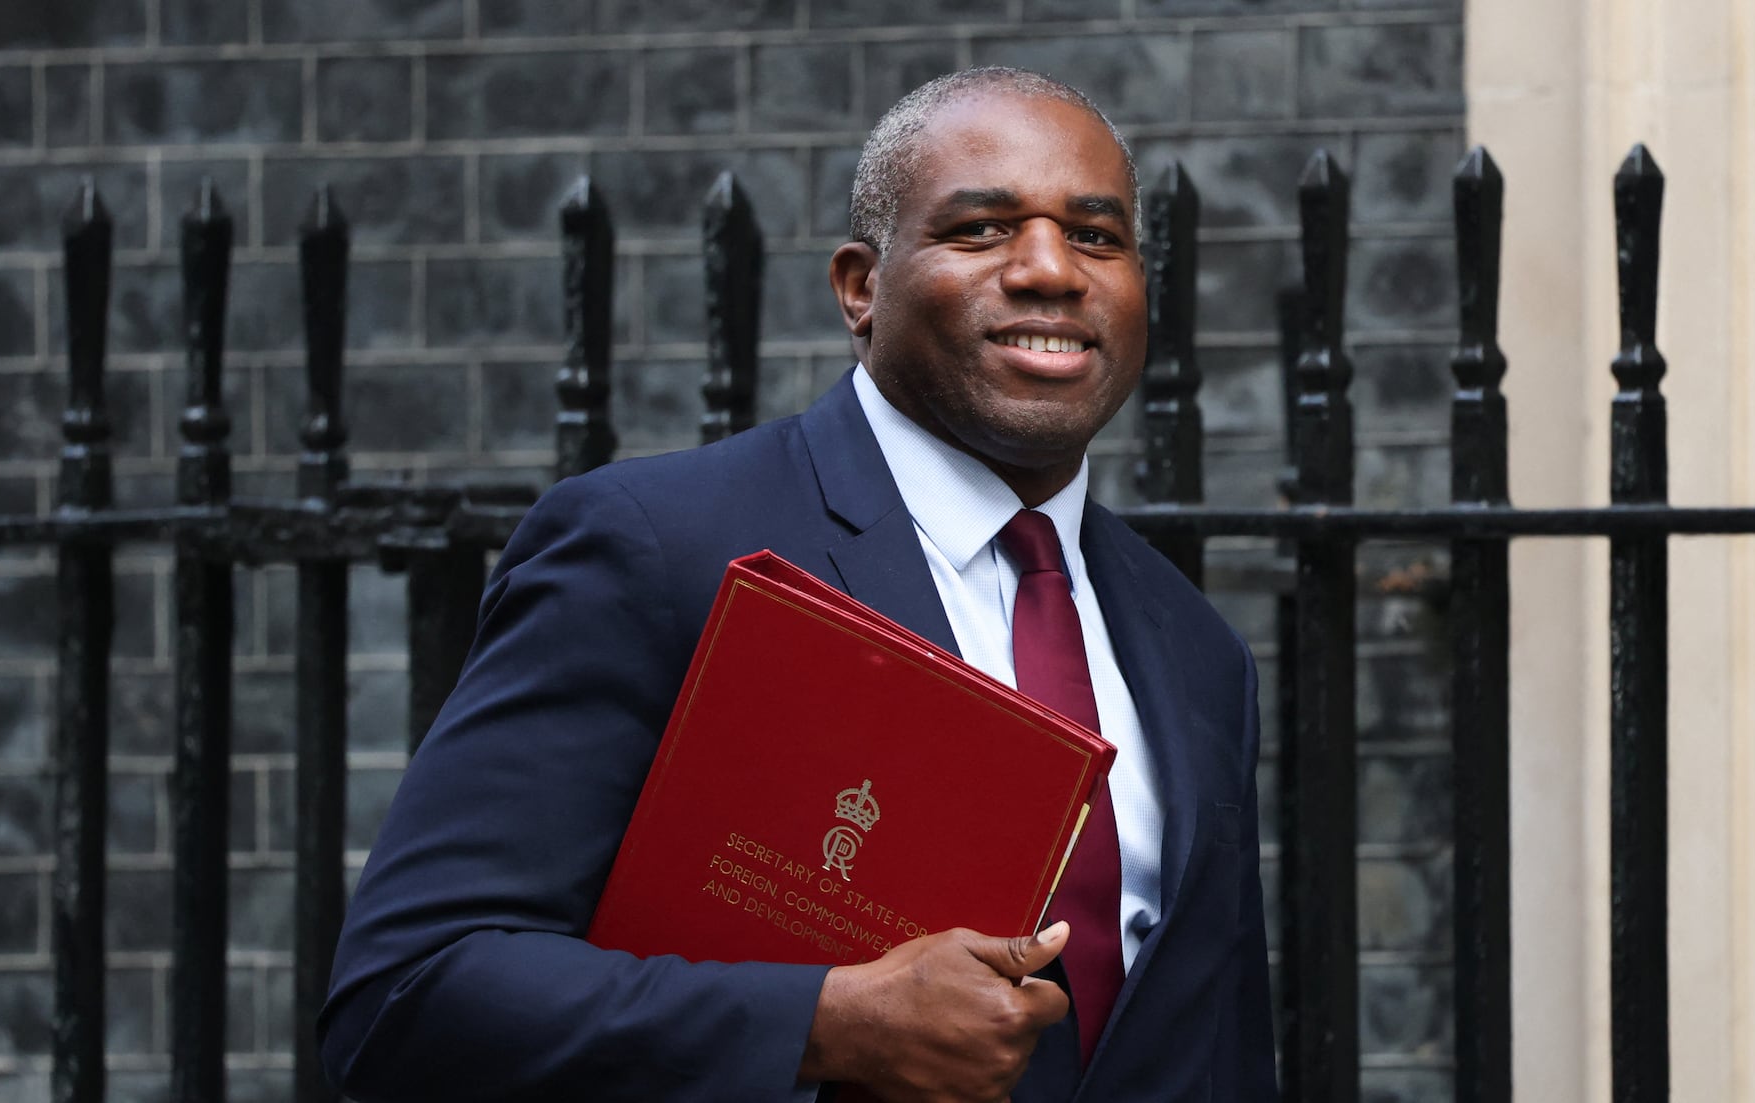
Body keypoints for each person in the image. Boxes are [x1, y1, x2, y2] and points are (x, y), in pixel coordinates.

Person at [320, 67, 1277, 1103]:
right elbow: (406, 992)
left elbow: (1217, 1051)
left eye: (1095, 236)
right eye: (982, 230)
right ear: (861, 286)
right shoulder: (657, 547)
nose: (1051, 268)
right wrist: (825, 1023)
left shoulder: (1197, 650)